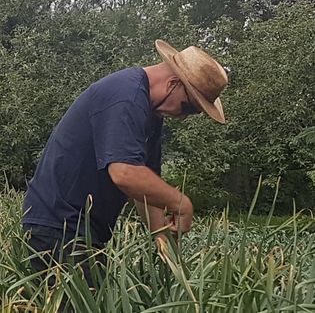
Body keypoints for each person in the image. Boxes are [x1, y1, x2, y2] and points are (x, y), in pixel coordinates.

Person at [22, 39, 228, 285]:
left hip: (83, 233)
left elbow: (145, 182)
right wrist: (182, 204)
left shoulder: (149, 113)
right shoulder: (126, 96)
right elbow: (125, 173)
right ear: (173, 84)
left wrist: (160, 235)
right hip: (58, 228)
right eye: (190, 107)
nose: (183, 116)